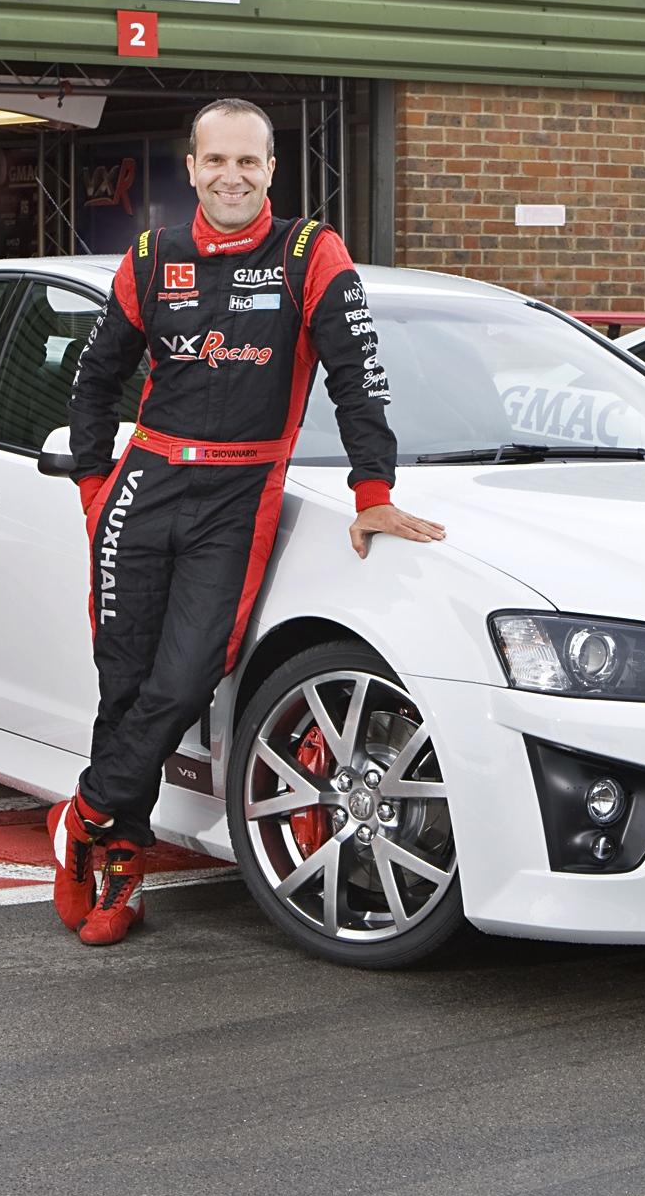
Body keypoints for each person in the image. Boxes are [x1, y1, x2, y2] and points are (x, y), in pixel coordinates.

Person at [49, 98, 446, 947]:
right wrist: (92, 481)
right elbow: (94, 379)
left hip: (237, 496)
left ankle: (85, 812)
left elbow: (357, 374)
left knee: (188, 680)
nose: (233, 176)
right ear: (190, 168)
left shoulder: (310, 251)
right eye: (216, 160)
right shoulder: (153, 256)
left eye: (250, 163)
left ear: (273, 170)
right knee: (123, 684)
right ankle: (121, 863)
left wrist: (373, 486)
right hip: (144, 486)